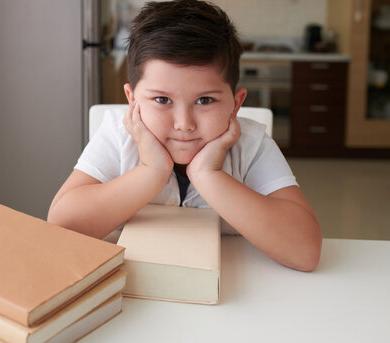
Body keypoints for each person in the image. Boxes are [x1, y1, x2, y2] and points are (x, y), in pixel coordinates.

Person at [48, 0, 321, 272]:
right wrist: (151, 171)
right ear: (133, 101)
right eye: (162, 99)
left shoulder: (251, 143)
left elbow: (305, 252)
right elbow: (60, 228)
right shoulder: (118, 134)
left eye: (204, 100)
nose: (184, 124)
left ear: (235, 104)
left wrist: (208, 175)